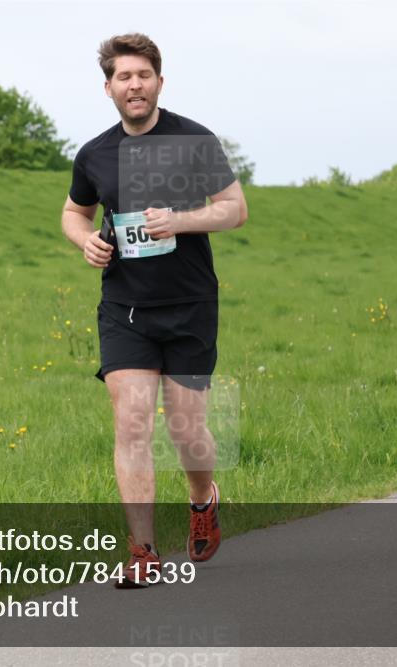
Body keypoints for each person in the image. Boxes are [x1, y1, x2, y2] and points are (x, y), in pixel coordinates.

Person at [60, 33, 248, 588]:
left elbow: (235, 210)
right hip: (126, 307)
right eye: (123, 77)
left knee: (188, 430)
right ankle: (142, 551)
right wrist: (85, 240)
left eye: (143, 75)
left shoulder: (195, 140)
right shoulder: (94, 153)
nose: (134, 85)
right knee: (132, 422)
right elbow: (74, 212)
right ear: (108, 88)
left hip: (190, 304)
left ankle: (202, 499)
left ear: (159, 82)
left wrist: (180, 220)